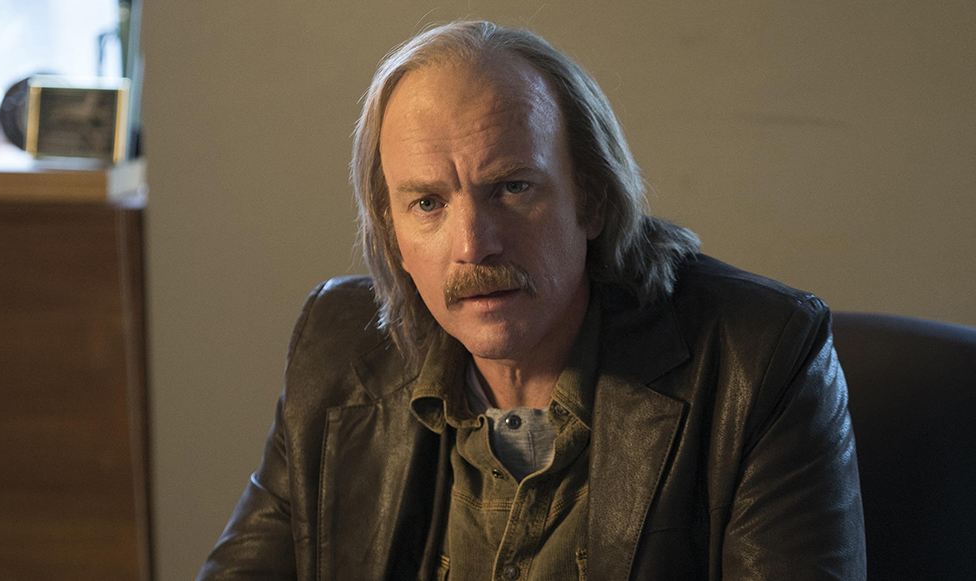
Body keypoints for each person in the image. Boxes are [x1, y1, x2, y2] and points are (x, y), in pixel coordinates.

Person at [197, 20, 865, 581]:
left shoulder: (760, 359)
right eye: (427, 203)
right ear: (392, 233)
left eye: (512, 187)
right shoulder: (338, 349)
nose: (474, 245)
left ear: (591, 199)